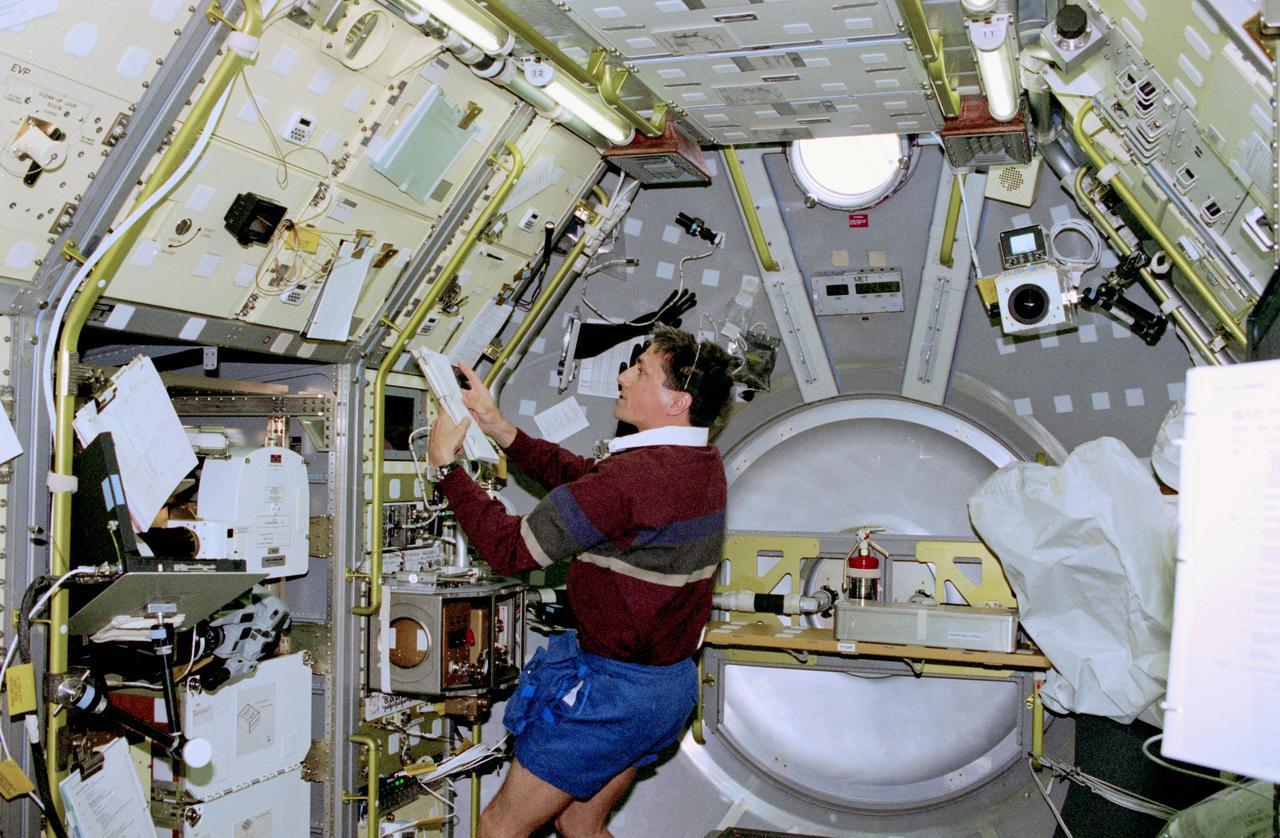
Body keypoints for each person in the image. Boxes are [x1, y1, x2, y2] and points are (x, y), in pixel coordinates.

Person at [427, 324, 734, 838]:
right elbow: (586, 481)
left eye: (639, 371)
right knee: (580, 822)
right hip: (666, 689)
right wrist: (500, 428)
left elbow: (510, 550)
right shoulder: (698, 462)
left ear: (677, 400)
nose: (622, 376)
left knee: (497, 828)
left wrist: (447, 470)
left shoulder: (635, 476)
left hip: (615, 694)